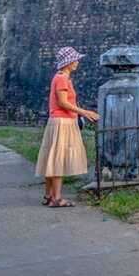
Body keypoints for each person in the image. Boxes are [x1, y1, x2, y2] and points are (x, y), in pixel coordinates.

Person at [36, 46, 99, 208]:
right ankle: (57, 198)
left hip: (57, 121)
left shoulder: (60, 78)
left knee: (53, 159)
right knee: (58, 160)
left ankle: (48, 195)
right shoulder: (62, 79)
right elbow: (63, 102)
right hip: (62, 122)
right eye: (75, 60)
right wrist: (84, 112)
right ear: (68, 62)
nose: (77, 62)